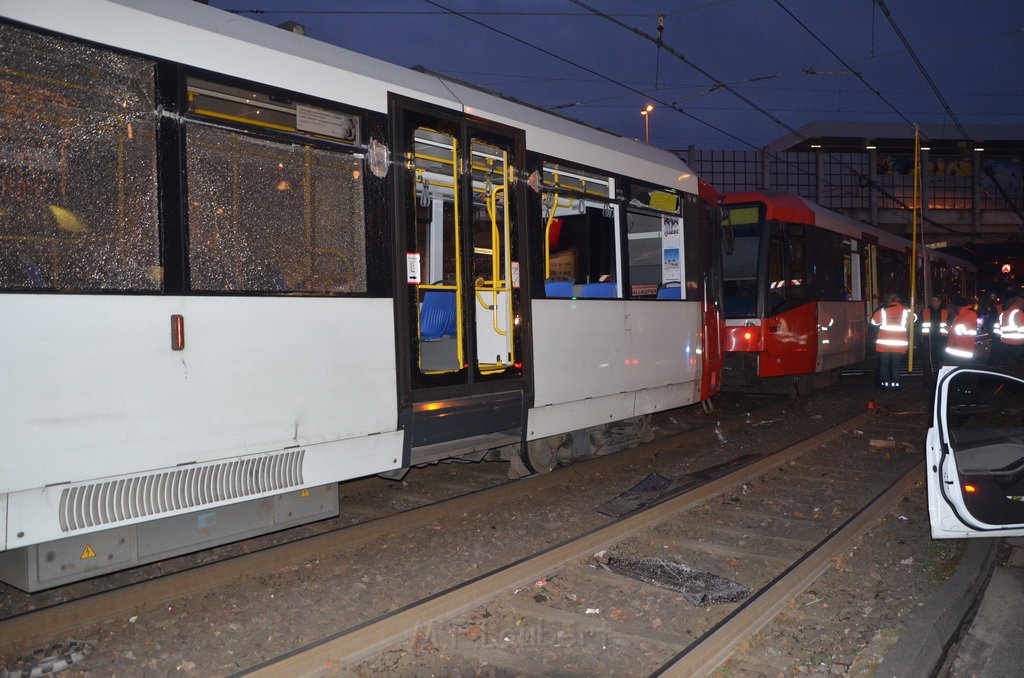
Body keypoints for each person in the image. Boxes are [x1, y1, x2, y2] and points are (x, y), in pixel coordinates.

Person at [870, 293, 913, 391]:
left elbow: (873, 322)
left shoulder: (883, 310)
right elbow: (913, 320)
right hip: (898, 344)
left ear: (889, 300)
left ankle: (885, 384)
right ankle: (896, 384)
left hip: (884, 343)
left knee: (884, 364)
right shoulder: (905, 311)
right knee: (896, 365)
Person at [919, 295, 949, 389]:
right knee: (927, 361)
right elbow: (919, 325)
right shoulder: (925, 312)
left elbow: (949, 325)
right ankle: (927, 380)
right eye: (932, 301)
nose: (933, 302)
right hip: (928, 340)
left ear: (940, 302)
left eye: (935, 301)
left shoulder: (945, 312)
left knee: (940, 361)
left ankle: (940, 379)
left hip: (941, 340)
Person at [945, 297, 979, 366]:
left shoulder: (966, 314)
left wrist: (949, 329)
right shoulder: (963, 314)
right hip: (960, 348)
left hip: (962, 349)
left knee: (963, 371)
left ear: (958, 306)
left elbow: (961, 330)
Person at [996, 296, 1024, 373]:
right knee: (1020, 367)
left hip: (1005, 344)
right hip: (1018, 345)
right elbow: (1022, 329)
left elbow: (998, 331)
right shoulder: (1018, 312)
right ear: (1019, 303)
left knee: (1011, 367)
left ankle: (1012, 383)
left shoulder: (1003, 313)